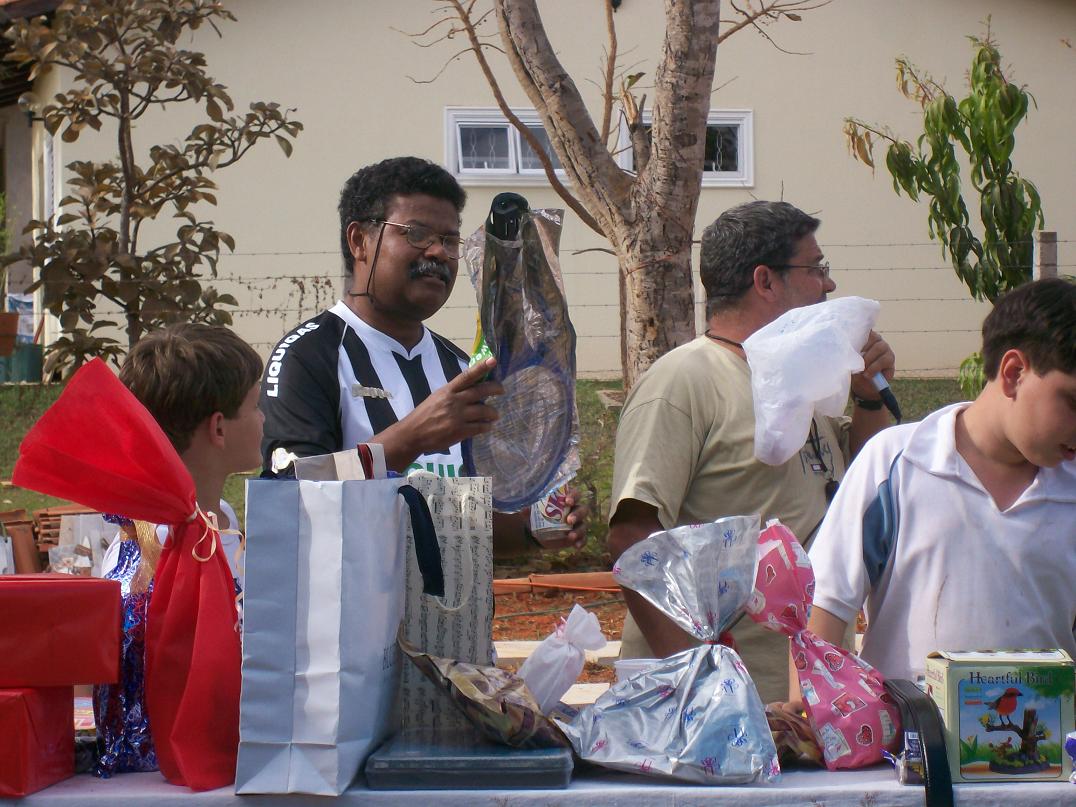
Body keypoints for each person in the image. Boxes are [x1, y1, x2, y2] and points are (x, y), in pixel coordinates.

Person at [607, 200, 897, 703]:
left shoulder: (802, 376)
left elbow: (859, 487)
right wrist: (702, 683)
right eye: (815, 268)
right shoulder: (683, 381)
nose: (828, 285)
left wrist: (869, 398)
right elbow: (634, 538)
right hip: (718, 704)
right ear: (765, 281)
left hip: (805, 699)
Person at [259, 156, 587, 554]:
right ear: (359, 241)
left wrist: (531, 529)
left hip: (455, 598)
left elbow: (459, 523)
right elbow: (289, 499)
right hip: (353, 595)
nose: (438, 252)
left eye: (450, 240)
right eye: (416, 234)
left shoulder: (461, 367)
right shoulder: (308, 355)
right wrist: (411, 438)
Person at [796, 278, 1076, 694]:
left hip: (1043, 735)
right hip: (906, 734)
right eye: (1073, 402)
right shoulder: (896, 463)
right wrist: (812, 720)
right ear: (1014, 373)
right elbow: (825, 607)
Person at [101, 323, 265, 583]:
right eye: (256, 406)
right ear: (219, 428)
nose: (263, 417)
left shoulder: (220, 515)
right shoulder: (156, 551)